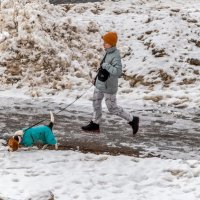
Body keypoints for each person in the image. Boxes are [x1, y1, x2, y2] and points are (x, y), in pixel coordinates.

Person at [81, 32, 139, 135]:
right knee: (96, 103)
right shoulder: (107, 52)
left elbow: (118, 72)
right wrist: (96, 79)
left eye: (106, 42)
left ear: (112, 44)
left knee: (112, 108)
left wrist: (107, 66)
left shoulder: (116, 56)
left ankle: (132, 119)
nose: (104, 44)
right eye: (104, 42)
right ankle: (95, 124)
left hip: (109, 87)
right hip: (100, 83)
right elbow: (102, 68)